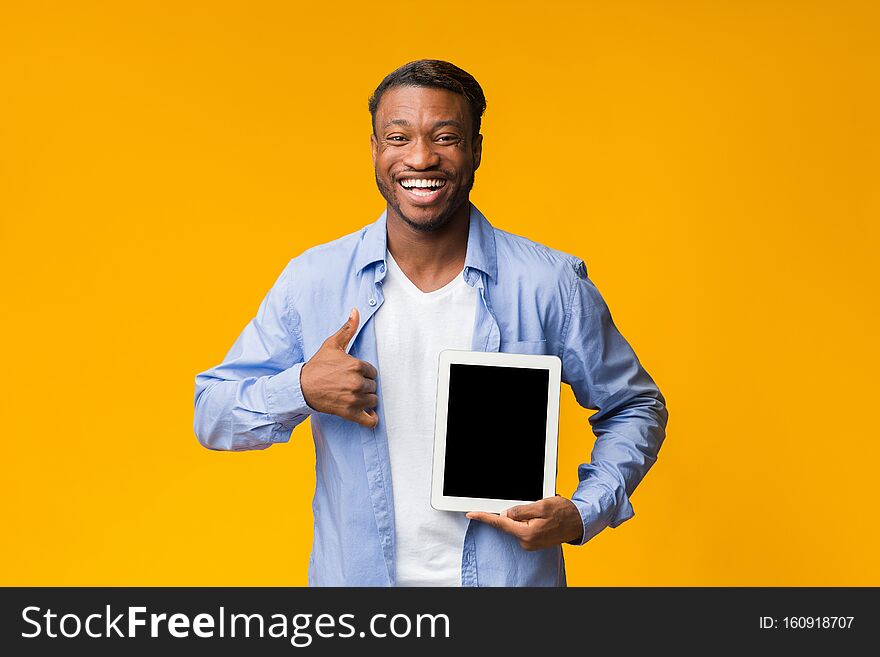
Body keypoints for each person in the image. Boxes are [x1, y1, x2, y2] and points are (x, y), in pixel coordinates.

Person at [193, 59, 668, 586]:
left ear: (476, 150)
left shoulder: (548, 283)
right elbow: (212, 413)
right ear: (374, 149)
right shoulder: (313, 281)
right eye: (398, 137)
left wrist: (584, 511)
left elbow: (634, 405)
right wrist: (301, 387)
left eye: (446, 137)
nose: (421, 157)